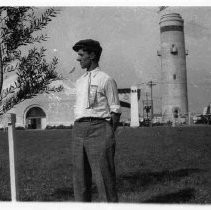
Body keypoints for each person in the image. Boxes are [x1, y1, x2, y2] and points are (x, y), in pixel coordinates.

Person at [72, 39, 121, 202]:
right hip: (78, 131)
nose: (78, 59)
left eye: (81, 55)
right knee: (80, 181)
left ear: (92, 55)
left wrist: (107, 133)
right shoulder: (79, 82)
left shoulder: (106, 79)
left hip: (100, 129)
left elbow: (115, 110)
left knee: (104, 180)